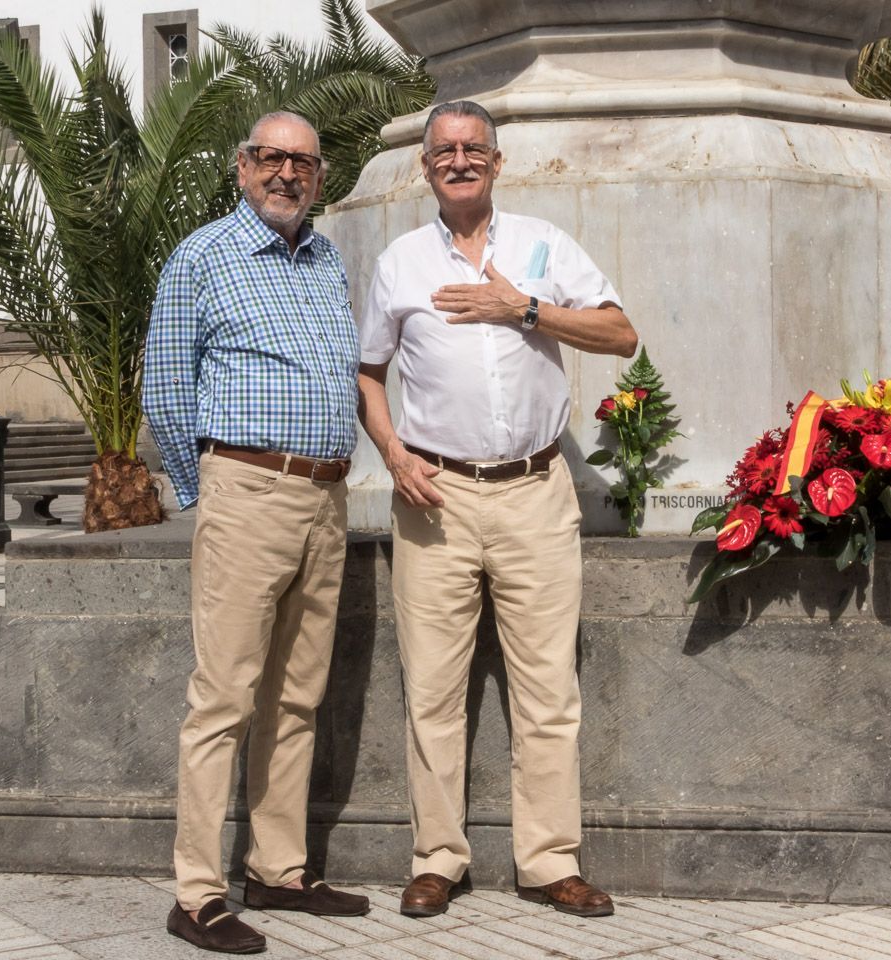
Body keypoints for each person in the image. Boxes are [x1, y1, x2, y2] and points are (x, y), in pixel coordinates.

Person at [356, 100, 638, 919]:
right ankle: (437, 857)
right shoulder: (399, 262)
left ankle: (549, 861)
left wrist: (524, 309)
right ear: (425, 166)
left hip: (534, 493)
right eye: (444, 150)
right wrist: (395, 454)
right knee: (434, 691)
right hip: (435, 496)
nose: (459, 160)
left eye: (473, 148)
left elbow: (620, 335)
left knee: (548, 688)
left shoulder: (544, 245)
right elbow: (369, 373)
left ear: (497, 161)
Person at [143, 111, 369, 955]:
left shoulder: (324, 257)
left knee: (297, 693)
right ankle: (197, 893)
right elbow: (166, 382)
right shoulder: (203, 256)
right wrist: (213, 493)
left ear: (320, 174)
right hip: (248, 488)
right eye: (271, 159)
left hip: (324, 498)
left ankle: (278, 869)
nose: (286, 174)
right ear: (242, 168)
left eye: (302, 162)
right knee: (225, 696)